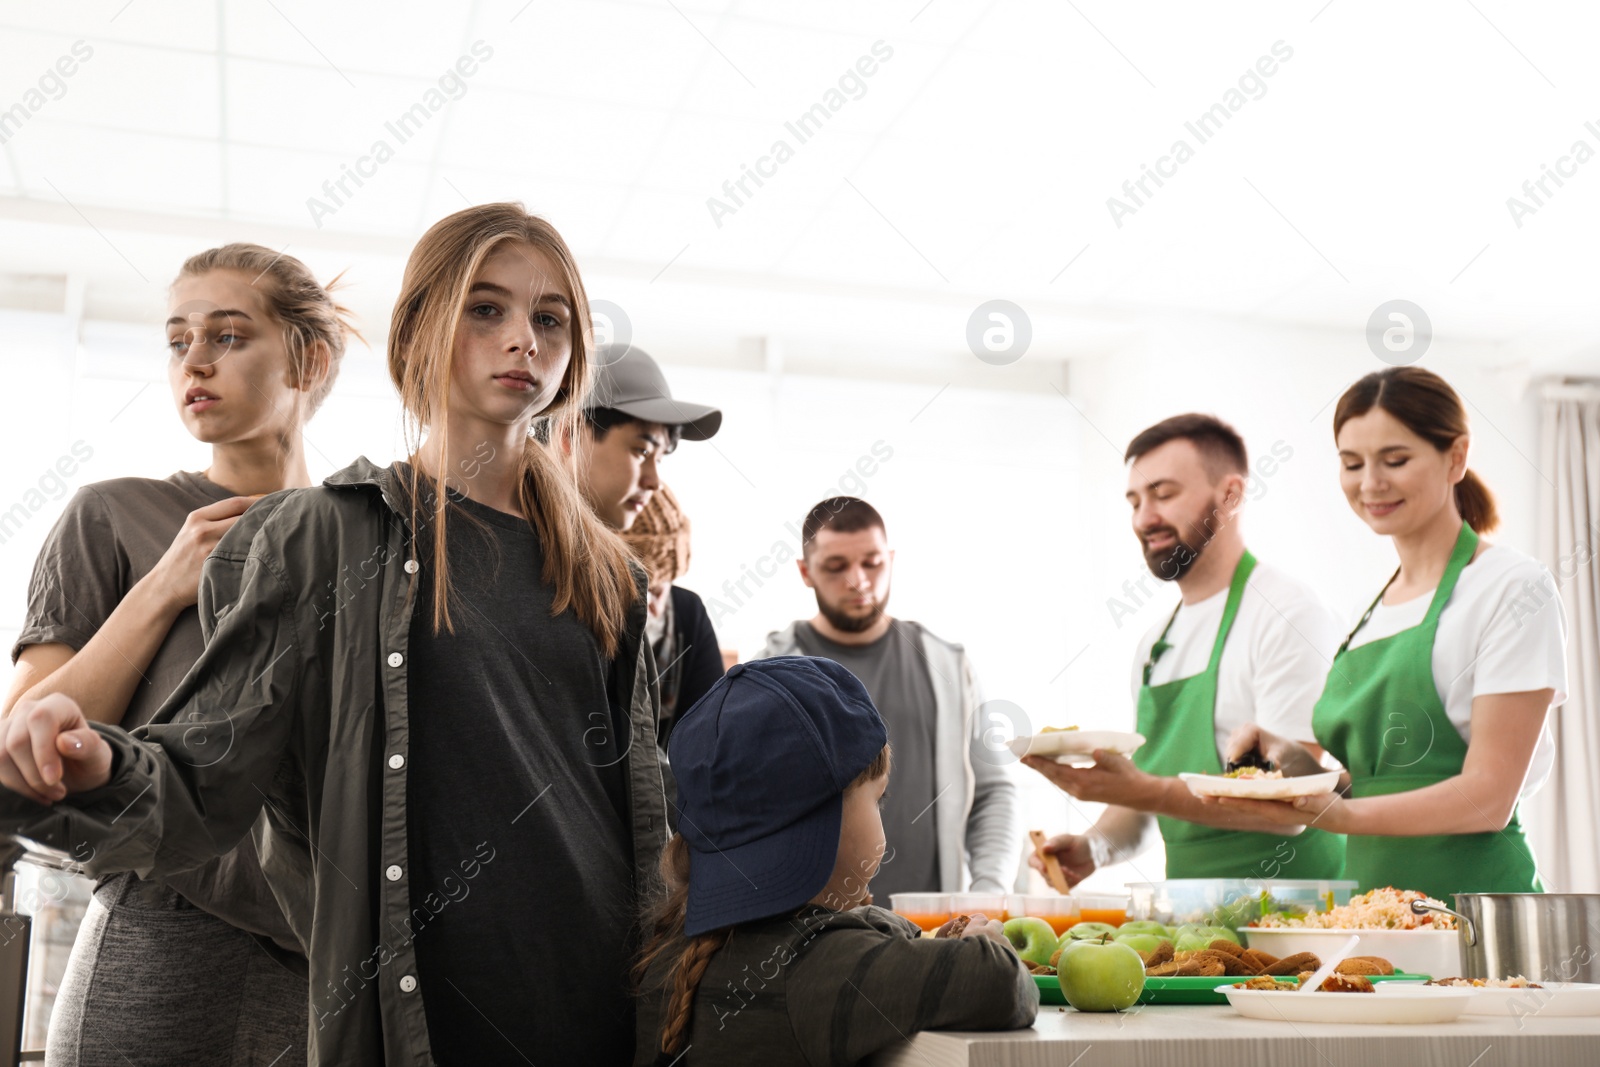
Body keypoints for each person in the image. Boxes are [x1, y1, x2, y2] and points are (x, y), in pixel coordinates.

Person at [0, 203, 665, 1065]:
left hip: (595, 1003)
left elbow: (636, 810)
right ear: (421, 329)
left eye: (550, 320)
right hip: (411, 1014)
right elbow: (205, 771)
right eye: (486, 308)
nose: (523, 341)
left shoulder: (610, 575)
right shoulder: (325, 537)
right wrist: (98, 763)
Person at [1, 243, 354, 1066]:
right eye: (177, 339)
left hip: (328, 958)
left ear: (309, 357)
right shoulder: (114, 516)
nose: (194, 360)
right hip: (159, 933)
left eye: (227, 335)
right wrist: (162, 586)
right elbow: (21, 744)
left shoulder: (362, 538)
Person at [1212, 368, 1567, 901]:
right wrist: (1285, 756)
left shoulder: (1512, 588)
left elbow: (1488, 796)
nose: (1370, 482)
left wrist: (1343, 816)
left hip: (1480, 913)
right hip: (1377, 910)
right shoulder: (1366, 613)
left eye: (1394, 460)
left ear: (1456, 457)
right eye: (1352, 463)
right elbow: (1375, 782)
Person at [634, 656, 1037, 1066]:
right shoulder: (822, 967)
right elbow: (998, 982)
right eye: (879, 799)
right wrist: (986, 944)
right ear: (826, 825)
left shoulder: (668, 955)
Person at [1028, 415, 1346, 885]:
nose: (1144, 518)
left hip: (1294, 920)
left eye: (1164, 494)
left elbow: (1292, 804)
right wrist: (1094, 847)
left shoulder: (1288, 615)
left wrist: (1143, 790)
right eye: (1135, 501)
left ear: (1231, 495)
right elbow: (1149, 801)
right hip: (1194, 923)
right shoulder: (1155, 644)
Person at [757, 497, 1020, 900]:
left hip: (934, 932)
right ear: (805, 572)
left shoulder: (948, 665)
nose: (858, 580)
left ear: (891, 559)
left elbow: (992, 791)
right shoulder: (769, 675)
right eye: (836, 566)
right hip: (814, 938)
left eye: (872, 562)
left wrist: (990, 891)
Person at [559, 343, 721, 531]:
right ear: (571, 433)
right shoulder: (522, 545)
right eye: (642, 451)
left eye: (659, 460)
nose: (655, 483)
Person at [619, 483, 725, 746]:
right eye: (642, 591)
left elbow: (712, 721)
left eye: (660, 588)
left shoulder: (687, 610)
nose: (654, 607)